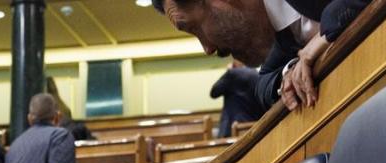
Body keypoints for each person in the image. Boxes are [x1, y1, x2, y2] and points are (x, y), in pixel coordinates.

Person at [153, 0, 367, 113]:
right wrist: (289, 72)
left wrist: (323, 38)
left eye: (194, 28)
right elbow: (263, 83)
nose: (207, 49)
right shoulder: (282, 35)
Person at [210, 63, 262, 136]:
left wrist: (227, 73)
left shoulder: (232, 73)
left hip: (230, 128)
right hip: (253, 127)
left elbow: (214, 93)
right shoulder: (258, 74)